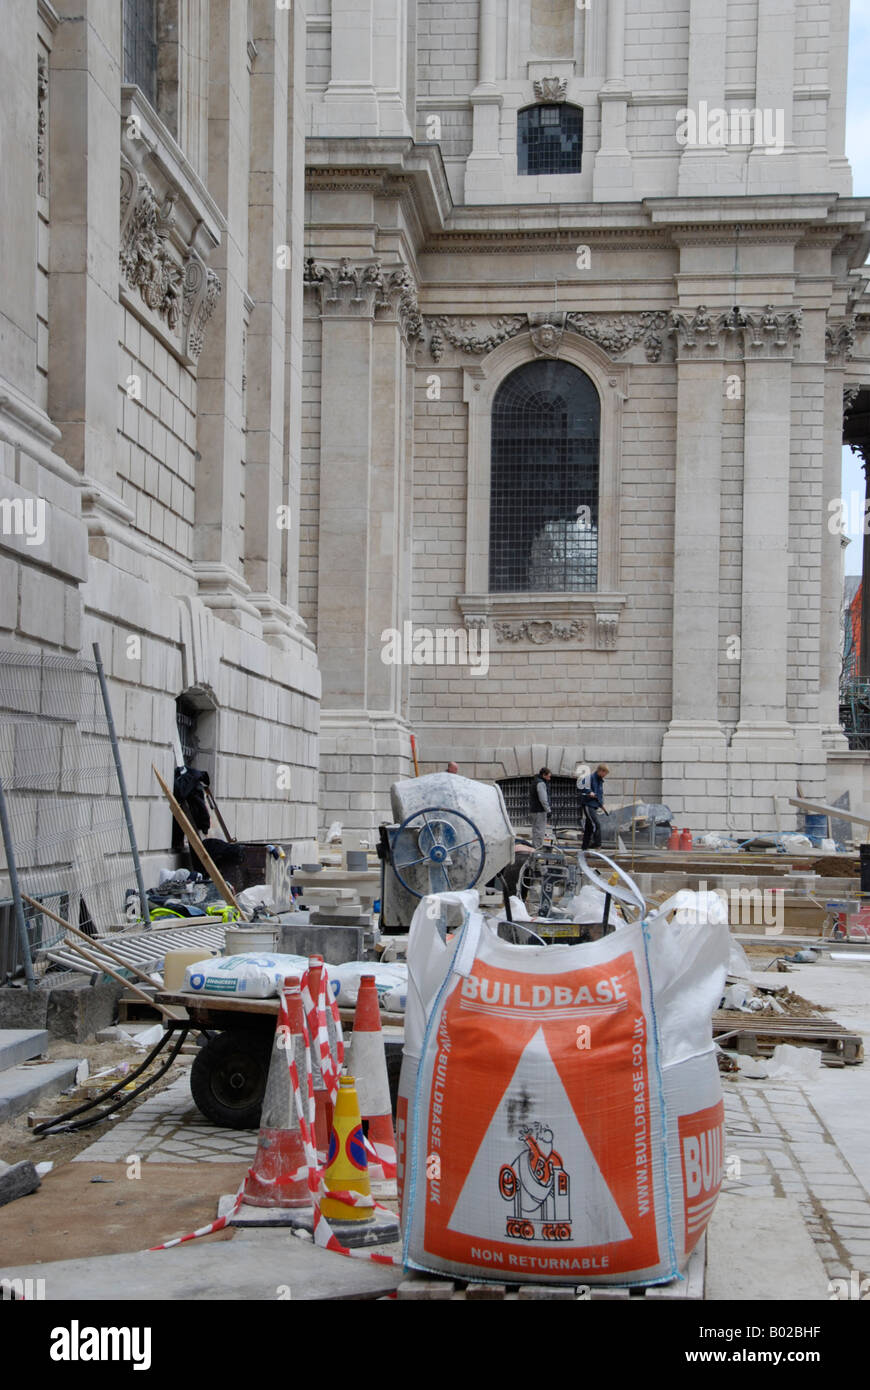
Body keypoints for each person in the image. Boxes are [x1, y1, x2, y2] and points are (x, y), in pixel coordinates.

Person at [577, 763, 609, 850]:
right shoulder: (590, 777)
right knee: (595, 824)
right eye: (605, 773)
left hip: (594, 805)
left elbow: (599, 794)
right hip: (588, 804)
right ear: (600, 771)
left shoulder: (600, 780)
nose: (605, 775)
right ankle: (597, 843)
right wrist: (589, 792)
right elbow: (581, 785)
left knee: (589, 827)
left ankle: (584, 847)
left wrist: (601, 804)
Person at [530, 767, 552, 848]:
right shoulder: (541, 783)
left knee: (535, 831)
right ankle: (538, 849)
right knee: (540, 831)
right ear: (544, 775)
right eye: (548, 776)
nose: (549, 778)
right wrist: (548, 810)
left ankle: (534, 848)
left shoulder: (535, 781)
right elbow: (543, 799)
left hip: (534, 810)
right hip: (539, 811)